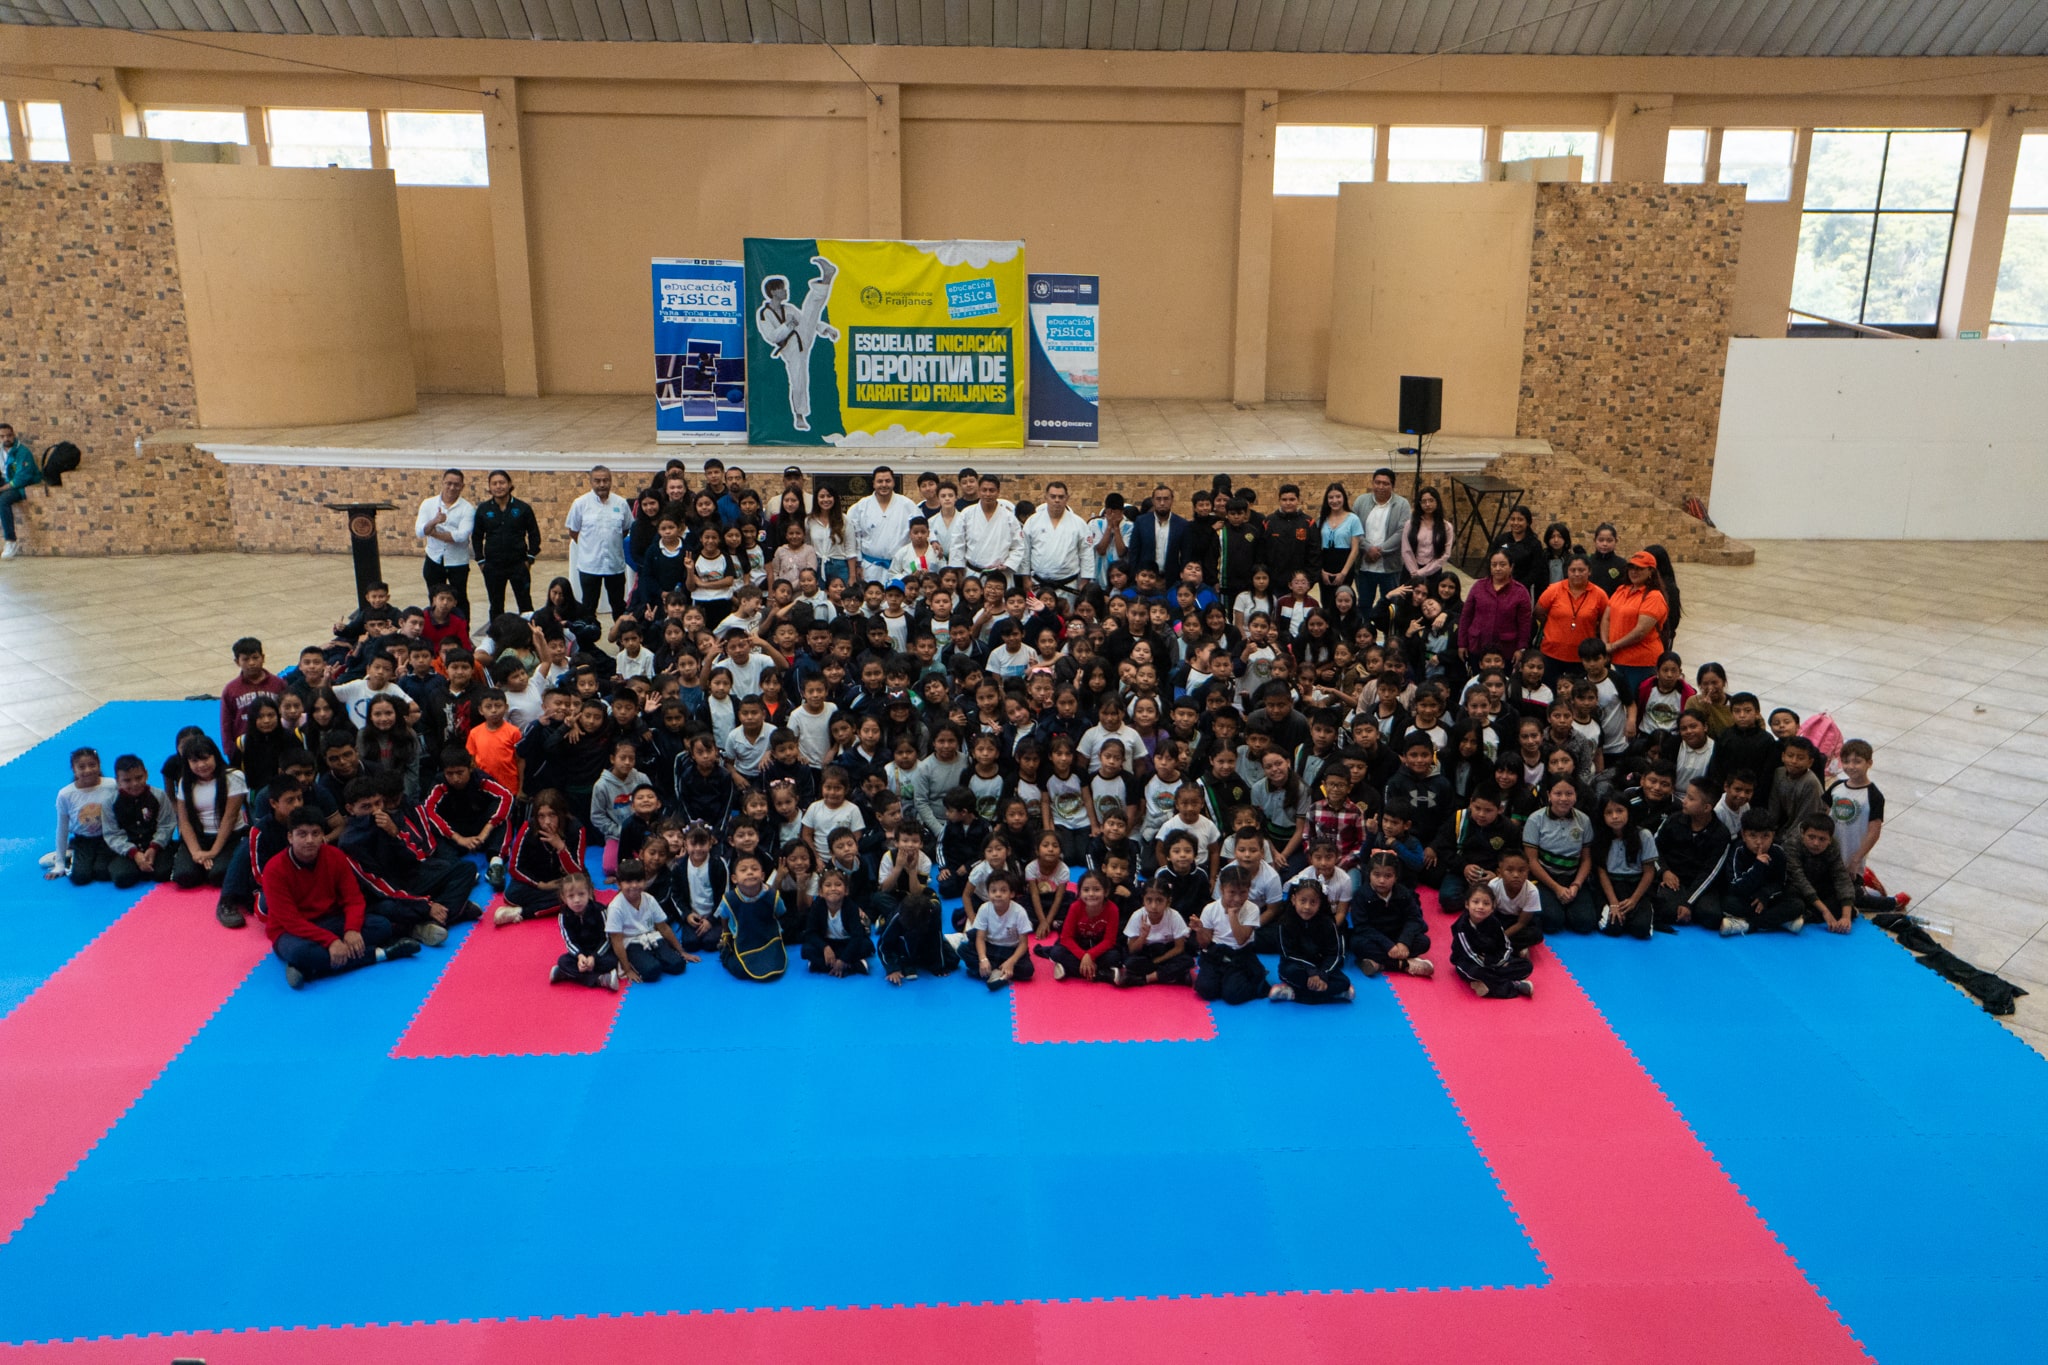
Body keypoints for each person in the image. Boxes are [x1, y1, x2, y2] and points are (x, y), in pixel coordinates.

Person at [262, 808, 416, 989]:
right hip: (291, 931)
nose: (309, 840)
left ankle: (309, 969)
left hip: (331, 920)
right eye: (302, 834)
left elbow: (353, 898)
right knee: (299, 952)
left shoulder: (335, 856)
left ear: (322, 835)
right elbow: (291, 921)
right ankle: (380, 954)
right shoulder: (274, 869)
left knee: (381, 926)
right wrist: (331, 941)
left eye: (315, 833)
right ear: (290, 837)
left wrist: (352, 929)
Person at [755, 258, 839, 432]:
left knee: (810, 309)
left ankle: (827, 277)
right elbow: (772, 337)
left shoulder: (789, 308)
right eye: (782, 288)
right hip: (790, 347)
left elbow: (808, 321)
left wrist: (826, 329)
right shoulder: (764, 314)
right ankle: (799, 415)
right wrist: (788, 325)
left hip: (803, 337)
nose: (786, 291)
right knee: (798, 380)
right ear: (773, 291)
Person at [608, 858, 693, 982]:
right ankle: (644, 961)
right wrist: (627, 969)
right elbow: (616, 941)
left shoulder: (649, 899)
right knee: (652, 971)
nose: (634, 886)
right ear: (619, 884)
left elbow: (663, 927)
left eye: (638, 881)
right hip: (631, 943)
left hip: (652, 937)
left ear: (645, 881)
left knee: (679, 965)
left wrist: (681, 951)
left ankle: (654, 958)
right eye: (628, 882)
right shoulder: (616, 907)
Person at [471, 470, 542, 620]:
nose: (498, 486)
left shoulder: (523, 508)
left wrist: (530, 558)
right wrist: (481, 560)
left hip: (518, 565)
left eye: (502, 482)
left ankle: (529, 633)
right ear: (490, 487)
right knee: (496, 605)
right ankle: (497, 633)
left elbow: (534, 534)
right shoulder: (484, 510)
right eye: (494, 483)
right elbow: (477, 536)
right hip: (493, 566)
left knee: (525, 604)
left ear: (509, 484)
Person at [1348, 852, 1433, 977]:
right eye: (1376, 875)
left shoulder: (1403, 893)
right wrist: (1388, 946)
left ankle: (1379, 964)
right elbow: (1362, 926)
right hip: (1375, 938)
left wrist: (1404, 942)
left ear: (1396, 877)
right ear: (1369, 874)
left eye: (1388, 876)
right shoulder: (1361, 895)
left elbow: (1414, 919)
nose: (1381, 880)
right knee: (1357, 944)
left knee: (1424, 942)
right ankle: (1404, 964)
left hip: (1397, 936)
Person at [1270, 879, 1352, 1004]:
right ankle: (1332, 994)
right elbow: (1288, 954)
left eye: (1313, 902)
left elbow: (1335, 954)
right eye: (1303, 901)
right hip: (1298, 967)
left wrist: (1322, 975)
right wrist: (1311, 972)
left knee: (1344, 982)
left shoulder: (1328, 923)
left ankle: (1294, 994)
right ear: (1293, 900)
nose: (1307, 907)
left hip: (1321, 966)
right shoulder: (1285, 923)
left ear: (1320, 903)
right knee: (1287, 972)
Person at [566, 465, 632, 620]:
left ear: (611, 481)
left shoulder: (621, 504)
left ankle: (620, 635)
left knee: (618, 605)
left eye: (605, 480)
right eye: (597, 481)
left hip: (615, 566)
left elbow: (625, 529)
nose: (602, 484)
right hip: (590, 566)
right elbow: (573, 532)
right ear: (591, 482)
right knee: (589, 607)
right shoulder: (580, 504)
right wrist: (589, 547)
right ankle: (590, 635)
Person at [1603, 551, 1670, 703]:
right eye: (1631, 567)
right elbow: (1606, 618)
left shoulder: (1654, 597)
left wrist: (1613, 646)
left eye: (1639, 568)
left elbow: (1640, 632)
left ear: (1650, 571)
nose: (1634, 571)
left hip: (1641, 662)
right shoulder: (1621, 590)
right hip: (1618, 659)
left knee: (1635, 702)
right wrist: (1605, 644)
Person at [1449, 883, 1534, 1000]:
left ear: (1493, 907)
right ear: (1467, 904)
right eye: (1476, 902)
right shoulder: (1461, 927)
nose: (1480, 907)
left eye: (1486, 903)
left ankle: (1486, 985)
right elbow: (1470, 954)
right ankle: (1514, 985)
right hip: (1470, 962)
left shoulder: (1494, 923)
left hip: (1493, 960)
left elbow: (1506, 946)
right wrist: (1491, 965)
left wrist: (1499, 962)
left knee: (1526, 966)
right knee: (1474, 972)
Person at [48, 747, 119, 885]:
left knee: (102, 873)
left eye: (92, 765)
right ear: (74, 769)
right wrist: (59, 864)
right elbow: (62, 829)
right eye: (81, 767)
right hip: (83, 840)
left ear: (99, 765)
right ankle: (69, 855)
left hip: (107, 837)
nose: (88, 770)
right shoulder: (66, 794)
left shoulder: (112, 785)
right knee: (80, 878)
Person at [1535, 556, 1608, 688]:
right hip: (1551, 654)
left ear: (1589, 571)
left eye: (1581, 570)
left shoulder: (1599, 595)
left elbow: (1606, 621)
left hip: (1583, 657)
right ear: (1567, 571)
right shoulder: (1553, 590)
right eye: (1573, 570)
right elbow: (1538, 612)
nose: (1577, 574)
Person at [718, 851, 790, 982]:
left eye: (754, 869)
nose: (750, 872)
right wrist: (726, 934)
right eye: (743, 870)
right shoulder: (729, 899)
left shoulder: (773, 896)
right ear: (734, 879)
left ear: (762, 876)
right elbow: (724, 917)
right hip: (743, 939)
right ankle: (726, 954)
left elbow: (780, 913)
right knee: (740, 971)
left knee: (775, 966)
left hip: (768, 938)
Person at [414, 468, 475, 619]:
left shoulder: (467, 508)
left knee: (459, 598)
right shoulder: (428, 504)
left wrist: (434, 533)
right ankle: (436, 628)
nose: (452, 488)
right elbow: (420, 531)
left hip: (457, 561)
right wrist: (434, 521)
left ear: (462, 486)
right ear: (442, 483)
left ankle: (462, 631)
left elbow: (461, 536)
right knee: (434, 598)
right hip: (434, 558)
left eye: (456, 484)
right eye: (449, 483)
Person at [963, 868, 1034, 989]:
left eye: (1003, 890)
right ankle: (999, 971)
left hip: (1011, 949)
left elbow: (1023, 944)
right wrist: (983, 959)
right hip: (990, 947)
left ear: (1012, 894)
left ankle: (994, 971)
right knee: (963, 949)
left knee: (1028, 970)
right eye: (993, 891)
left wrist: (1011, 961)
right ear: (988, 893)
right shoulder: (984, 909)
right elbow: (980, 938)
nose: (998, 894)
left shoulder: (1019, 912)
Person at [1353, 467, 1411, 617]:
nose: (1381, 487)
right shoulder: (1361, 501)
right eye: (1377, 482)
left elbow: (1402, 531)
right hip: (1365, 566)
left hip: (1390, 567)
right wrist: (1368, 548)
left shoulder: (1402, 504)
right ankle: (1365, 630)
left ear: (1393, 486)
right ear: (1372, 483)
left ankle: (1389, 632)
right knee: (1364, 605)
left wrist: (1379, 550)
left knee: (1391, 606)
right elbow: (1354, 528)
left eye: (1386, 483)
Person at [1460, 550, 1533, 666]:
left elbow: (1525, 624)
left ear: (1511, 567)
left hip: (1506, 649)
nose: (1498, 568)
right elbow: (1466, 616)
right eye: (1494, 565)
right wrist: (1462, 643)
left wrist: (1521, 648)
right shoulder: (1479, 586)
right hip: (1477, 645)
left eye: (1502, 565)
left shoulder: (1520, 592)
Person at [1115, 879, 1194, 987]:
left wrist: (1157, 961)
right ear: (1143, 900)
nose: (1154, 906)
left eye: (1159, 900)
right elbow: (1132, 949)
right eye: (1149, 900)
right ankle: (1174, 976)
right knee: (1130, 962)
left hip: (1166, 954)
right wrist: (1142, 937)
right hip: (1146, 953)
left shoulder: (1174, 916)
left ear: (1168, 901)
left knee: (1188, 961)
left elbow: (1179, 948)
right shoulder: (1137, 916)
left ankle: (1147, 978)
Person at [549, 871, 620, 989]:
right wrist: (579, 956)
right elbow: (569, 941)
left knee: (612, 961)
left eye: (581, 894)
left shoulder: (600, 911)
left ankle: (567, 974)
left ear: (589, 893)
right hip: (580, 954)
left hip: (600, 953)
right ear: (563, 898)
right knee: (563, 961)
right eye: (571, 896)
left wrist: (594, 957)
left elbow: (607, 939)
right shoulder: (563, 915)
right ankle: (600, 979)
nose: (577, 900)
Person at [847, 466, 914, 583]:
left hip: (900, 567)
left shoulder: (907, 505)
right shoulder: (860, 507)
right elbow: (854, 538)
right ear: (873, 484)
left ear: (893, 482)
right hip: (869, 567)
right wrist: (858, 564)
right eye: (880, 481)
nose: (884, 485)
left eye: (887, 481)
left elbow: (922, 529)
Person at [877, 886, 956, 983]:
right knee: (905, 944)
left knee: (952, 960)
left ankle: (914, 960)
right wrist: (892, 969)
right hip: (902, 943)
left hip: (923, 939)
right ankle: (905, 961)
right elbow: (883, 945)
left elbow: (936, 938)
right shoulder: (896, 918)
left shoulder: (934, 911)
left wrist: (938, 966)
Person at [1127, 484, 1191, 585]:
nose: (1162, 503)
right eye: (1158, 499)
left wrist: (1182, 577)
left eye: (1166, 499)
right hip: (1145, 579)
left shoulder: (1181, 524)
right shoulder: (1141, 522)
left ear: (1172, 500)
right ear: (1153, 501)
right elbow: (1134, 552)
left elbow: (1185, 555)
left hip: (1171, 580)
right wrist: (1134, 576)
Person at [0, 421, 40, 557]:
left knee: (3, 500)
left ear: (14, 435)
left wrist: (2, 489)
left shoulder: (23, 452)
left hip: (21, 485)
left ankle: (11, 541)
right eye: (2, 436)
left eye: (9, 435)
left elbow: (21, 479)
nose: (6, 439)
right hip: (6, 480)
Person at [1402, 486, 1454, 584]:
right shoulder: (1410, 524)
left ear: (1437, 502)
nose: (1427, 504)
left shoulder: (1446, 527)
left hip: (1433, 571)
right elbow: (1406, 550)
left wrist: (1422, 572)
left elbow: (1445, 554)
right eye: (1424, 501)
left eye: (1431, 500)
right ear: (1419, 504)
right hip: (1410, 571)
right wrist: (1414, 572)